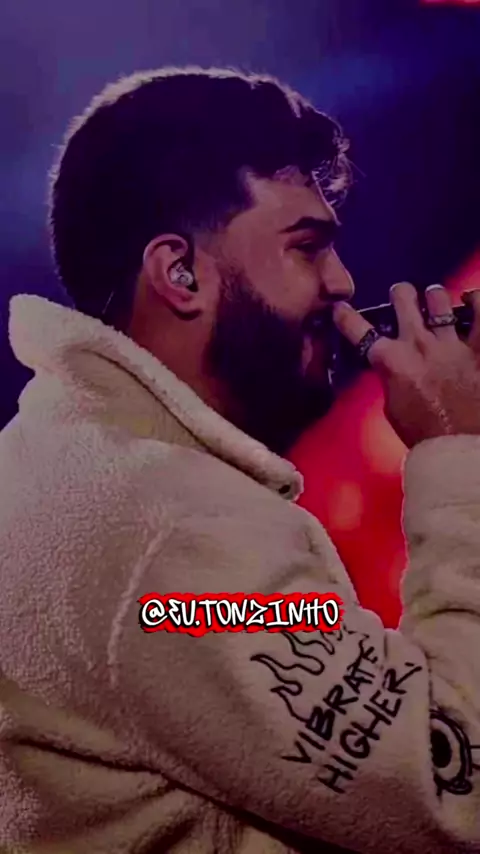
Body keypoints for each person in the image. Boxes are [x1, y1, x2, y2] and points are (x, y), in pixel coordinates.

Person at [1, 67, 480, 854]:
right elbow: (458, 794)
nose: (342, 282)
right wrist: (456, 451)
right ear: (180, 273)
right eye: (306, 247)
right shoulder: (170, 528)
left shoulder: (69, 458)